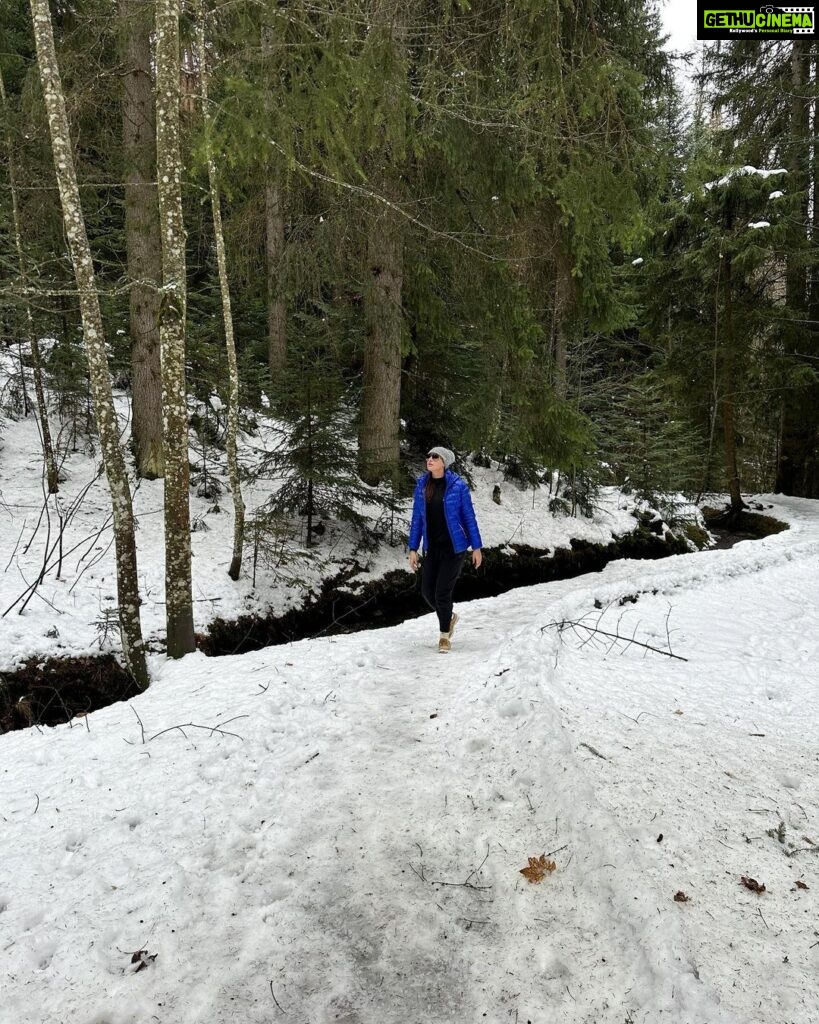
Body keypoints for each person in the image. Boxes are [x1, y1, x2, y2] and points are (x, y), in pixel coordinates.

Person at [408, 446, 483, 653]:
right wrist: (413, 548)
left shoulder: (458, 487)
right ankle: (449, 617)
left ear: (444, 462)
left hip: (454, 548)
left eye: (435, 457)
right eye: (428, 456)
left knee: (442, 593)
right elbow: (417, 519)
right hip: (432, 548)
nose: (429, 459)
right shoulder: (422, 485)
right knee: (426, 592)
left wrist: (476, 547)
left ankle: (444, 637)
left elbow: (469, 518)